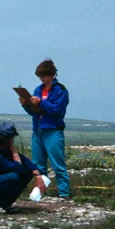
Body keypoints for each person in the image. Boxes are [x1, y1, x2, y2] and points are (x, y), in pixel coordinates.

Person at [0, 122, 47, 213]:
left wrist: (37, 174)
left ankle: (5, 204)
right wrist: (14, 152)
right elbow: (17, 167)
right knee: (13, 176)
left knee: (26, 173)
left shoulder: (3, 149)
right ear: (10, 139)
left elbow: (26, 162)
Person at [27, 58, 71, 201]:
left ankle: (64, 193)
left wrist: (42, 103)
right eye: (40, 76)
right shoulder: (38, 89)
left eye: (44, 76)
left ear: (52, 75)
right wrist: (26, 104)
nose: (41, 79)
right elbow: (34, 111)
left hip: (53, 130)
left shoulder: (61, 91)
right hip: (38, 130)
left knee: (57, 163)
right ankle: (40, 193)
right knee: (38, 164)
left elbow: (57, 110)